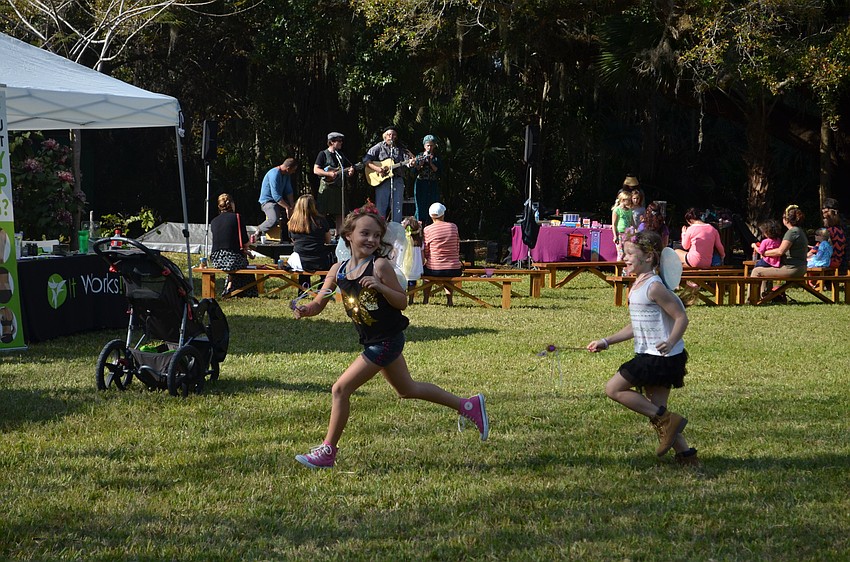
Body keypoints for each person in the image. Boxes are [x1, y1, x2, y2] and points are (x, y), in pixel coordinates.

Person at [292, 205, 489, 469]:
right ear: (348, 234)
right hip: (374, 340)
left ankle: (328, 451)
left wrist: (380, 286)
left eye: (377, 236)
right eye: (365, 234)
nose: (372, 240)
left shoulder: (380, 266)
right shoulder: (337, 270)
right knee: (407, 390)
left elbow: (401, 302)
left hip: (385, 341)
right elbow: (318, 304)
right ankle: (468, 406)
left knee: (340, 389)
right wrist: (306, 310)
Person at [586, 230, 697, 466]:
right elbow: (636, 325)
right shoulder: (639, 284)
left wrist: (670, 340)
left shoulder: (654, 287)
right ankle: (687, 457)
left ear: (648, 257)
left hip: (660, 356)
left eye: (629, 254)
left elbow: (681, 318)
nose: (624, 258)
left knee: (614, 389)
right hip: (654, 354)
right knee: (657, 412)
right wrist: (606, 341)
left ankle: (667, 421)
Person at [751, 205, 808, 297]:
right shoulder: (799, 231)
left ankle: (751, 299)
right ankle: (764, 296)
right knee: (765, 268)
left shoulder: (792, 232)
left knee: (757, 271)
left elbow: (780, 251)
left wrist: (764, 253)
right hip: (801, 267)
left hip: (793, 268)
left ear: (786, 219)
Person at [209, 193, 257, 297]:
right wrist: (254, 239)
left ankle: (230, 288)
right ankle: (242, 291)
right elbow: (245, 243)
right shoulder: (237, 218)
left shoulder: (213, 221)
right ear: (232, 204)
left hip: (216, 259)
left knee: (238, 263)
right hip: (232, 259)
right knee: (243, 265)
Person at [364, 126, 415, 223]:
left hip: (397, 179)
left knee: (397, 206)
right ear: (384, 136)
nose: (391, 136)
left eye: (394, 134)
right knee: (381, 206)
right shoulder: (379, 147)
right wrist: (378, 169)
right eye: (389, 134)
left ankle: (396, 229)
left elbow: (408, 162)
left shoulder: (401, 149)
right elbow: (366, 160)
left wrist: (411, 163)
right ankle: (380, 228)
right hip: (383, 180)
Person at [314, 132, 357, 233]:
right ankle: (321, 233)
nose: (341, 143)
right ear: (331, 142)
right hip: (326, 187)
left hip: (338, 187)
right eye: (339, 141)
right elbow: (316, 170)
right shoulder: (323, 154)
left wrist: (350, 172)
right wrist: (328, 174)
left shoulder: (341, 155)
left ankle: (339, 234)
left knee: (340, 212)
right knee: (322, 211)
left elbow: (344, 170)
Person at [288, 194, 333, 290]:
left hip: (300, 261)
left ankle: (304, 289)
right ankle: (322, 289)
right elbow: (328, 240)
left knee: (302, 259)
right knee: (330, 260)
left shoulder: (292, 223)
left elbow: (293, 240)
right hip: (320, 260)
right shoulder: (320, 220)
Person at [422, 202, 462, 306]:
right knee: (448, 274)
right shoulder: (453, 227)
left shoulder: (427, 229)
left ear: (431, 216)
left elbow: (426, 251)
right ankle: (449, 300)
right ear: (443, 214)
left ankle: (426, 299)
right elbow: (457, 246)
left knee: (426, 275)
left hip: (435, 269)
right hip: (454, 269)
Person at [254, 158, 298, 243]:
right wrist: (287, 208)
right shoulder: (274, 174)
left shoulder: (286, 175)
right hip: (268, 201)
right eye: (293, 170)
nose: (294, 172)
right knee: (273, 219)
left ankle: (289, 237)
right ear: (288, 168)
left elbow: (289, 191)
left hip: (278, 202)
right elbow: (276, 196)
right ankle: (259, 229)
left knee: (295, 213)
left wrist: (292, 206)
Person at [395, 216, 424, 303]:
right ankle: (411, 299)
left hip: (401, 268)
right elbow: (422, 258)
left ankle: (403, 298)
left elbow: (394, 253)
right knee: (412, 281)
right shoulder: (419, 242)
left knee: (401, 283)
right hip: (415, 268)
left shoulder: (399, 241)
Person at [414, 135, 441, 225]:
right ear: (424, 146)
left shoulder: (437, 157)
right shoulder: (419, 156)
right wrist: (420, 163)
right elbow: (413, 171)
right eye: (428, 145)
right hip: (421, 184)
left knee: (433, 205)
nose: (430, 147)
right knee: (420, 206)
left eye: (432, 145)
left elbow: (439, 171)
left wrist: (430, 163)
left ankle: (432, 226)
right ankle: (419, 227)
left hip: (433, 184)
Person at [821, 198, 846, 271]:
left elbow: (820, 248)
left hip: (831, 262)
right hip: (842, 263)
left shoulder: (829, 231)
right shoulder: (842, 228)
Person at [611, 190, 633, 261]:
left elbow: (632, 223)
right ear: (623, 200)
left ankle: (625, 270)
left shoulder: (629, 210)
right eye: (628, 200)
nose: (630, 202)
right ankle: (619, 270)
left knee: (627, 252)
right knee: (621, 253)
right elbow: (614, 224)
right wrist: (615, 236)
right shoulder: (617, 210)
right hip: (619, 234)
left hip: (627, 234)